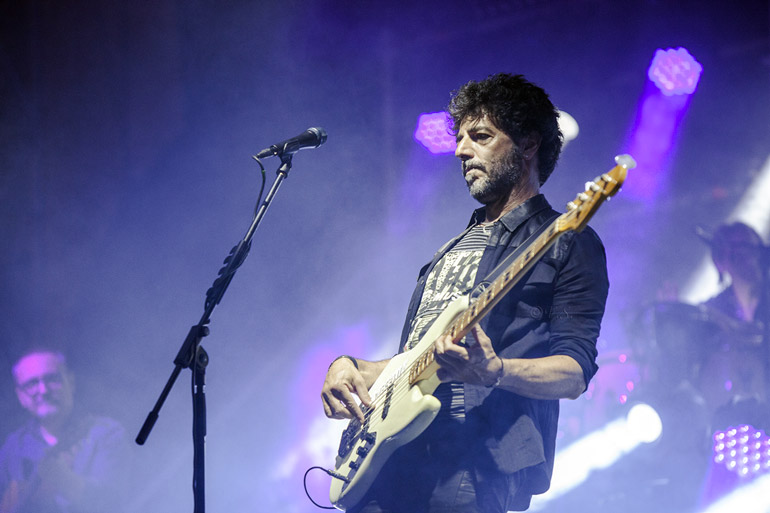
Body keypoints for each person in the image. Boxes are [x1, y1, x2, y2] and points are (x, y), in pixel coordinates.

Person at [321, 73, 609, 512]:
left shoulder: (568, 241)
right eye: (460, 138)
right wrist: (352, 367)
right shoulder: (448, 250)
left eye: (480, 136)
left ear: (528, 144)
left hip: (471, 466)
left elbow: (574, 372)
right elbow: (416, 361)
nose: (460, 150)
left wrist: (496, 371)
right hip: (390, 461)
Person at [0, 347, 130, 513]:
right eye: (31, 384)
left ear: (71, 382)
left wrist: (65, 480)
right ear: (20, 396)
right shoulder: (13, 447)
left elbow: (114, 503)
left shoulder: (107, 434)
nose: (43, 390)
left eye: (52, 379)